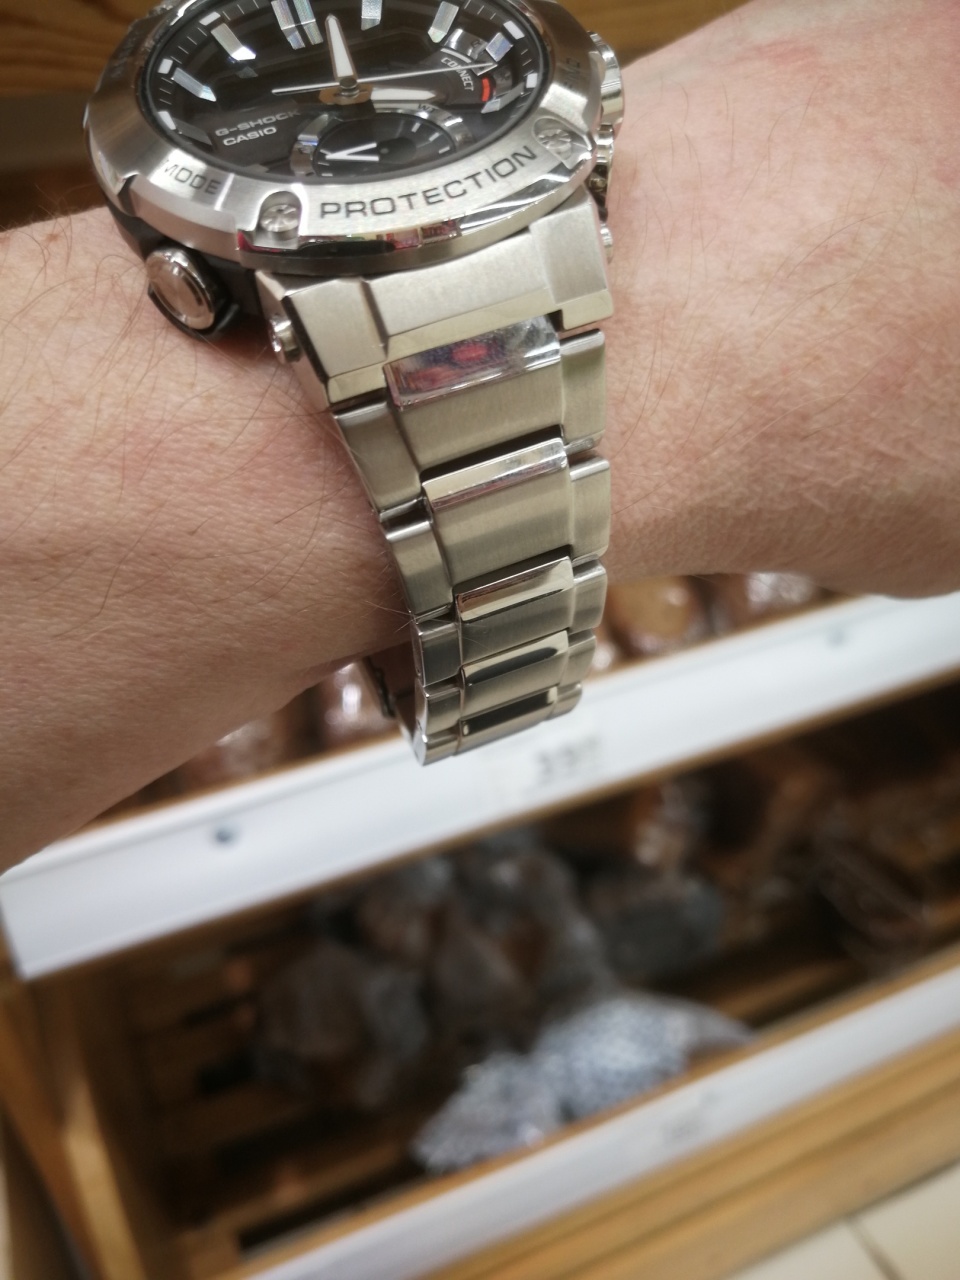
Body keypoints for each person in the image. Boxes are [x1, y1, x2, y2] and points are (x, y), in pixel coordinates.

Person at [1, 0, 958, 869]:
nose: (347, 90)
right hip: (324, 279)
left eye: (363, 76)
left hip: (515, 228)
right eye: (332, 86)